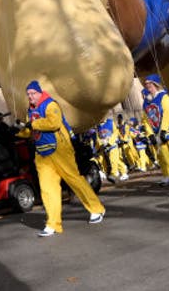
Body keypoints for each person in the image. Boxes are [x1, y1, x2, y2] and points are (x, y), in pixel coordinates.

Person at [13, 81, 105, 236]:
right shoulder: (30, 110)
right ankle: (53, 223)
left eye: (32, 93)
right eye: (28, 94)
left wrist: (33, 124)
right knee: (47, 189)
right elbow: (32, 131)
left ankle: (96, 209)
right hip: (42, 154)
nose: (30, 97)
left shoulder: (50, 105)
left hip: (60, 150)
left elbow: (53, 123)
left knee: (74, 180)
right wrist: (18, 133)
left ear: (39, 93)